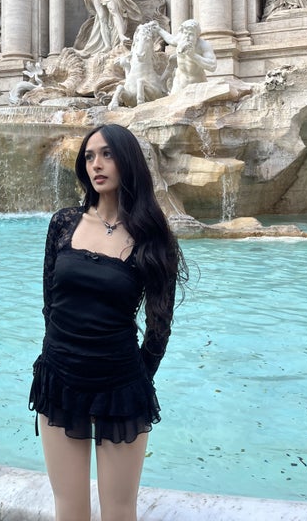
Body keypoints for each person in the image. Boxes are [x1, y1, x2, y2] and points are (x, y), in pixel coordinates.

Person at [29, 123, 188, 521]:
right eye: (89, 157)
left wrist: (136, 380)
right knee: (69, 510)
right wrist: (57, 356)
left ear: (127, 161)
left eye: (107, 154)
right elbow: (51, 304)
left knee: (118, 512)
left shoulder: (153, 238)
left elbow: (159, 327)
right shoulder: (63, 223)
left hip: (120, 386)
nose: (96, 164)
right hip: (59, 379)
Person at [152, 18, 217, 91]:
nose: (187, 37)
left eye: (191, 34)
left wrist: (193, 55)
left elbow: (212, 66)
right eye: (185, 33)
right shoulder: (181, 39)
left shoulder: (203, 45)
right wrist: (159, 30)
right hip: (179, 83)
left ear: (197, 35)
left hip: (196, 85)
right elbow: (170, 39)